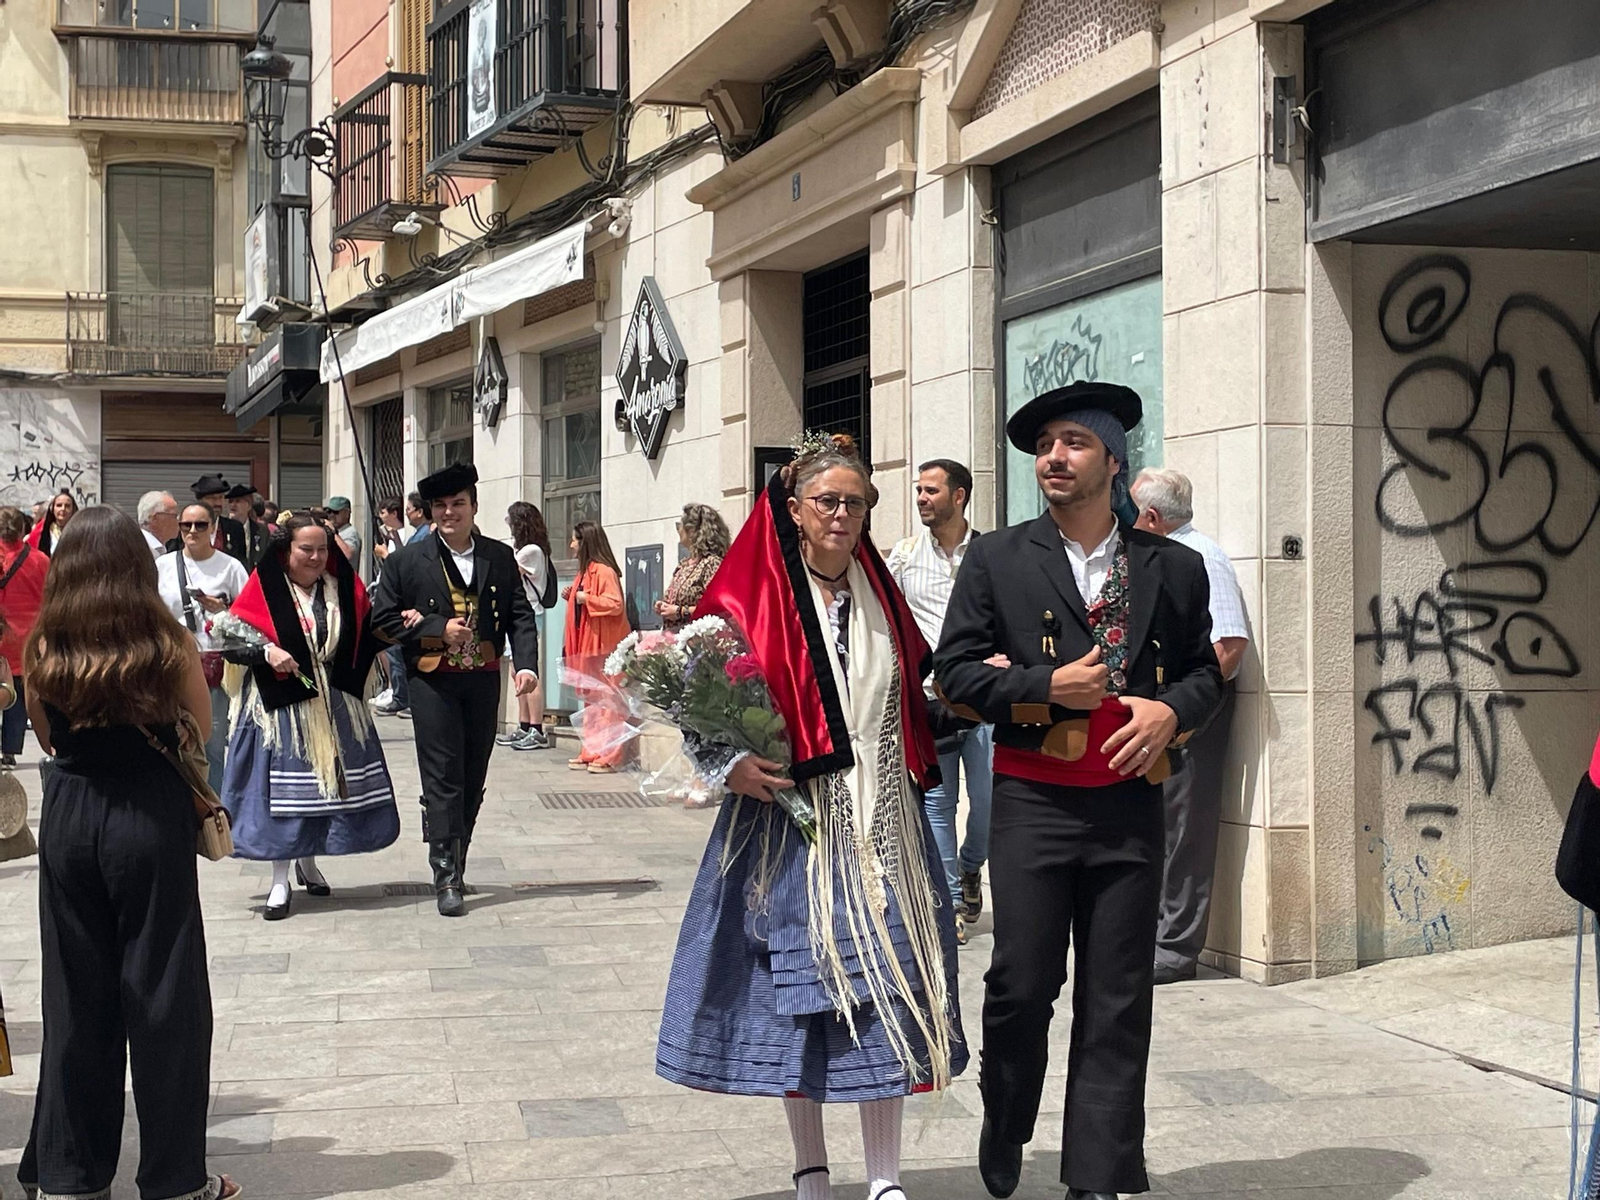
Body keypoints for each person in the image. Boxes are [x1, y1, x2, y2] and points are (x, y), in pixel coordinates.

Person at [657, 433, 966, 1200]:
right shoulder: (745, 598)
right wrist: (728, 765)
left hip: (884, 818)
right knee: (799, 996)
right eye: (826, 501)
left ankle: (886, 1179)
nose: (841, 514)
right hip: (788, 823)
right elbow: (697, 704)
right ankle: (810, 1167)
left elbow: (913, 686)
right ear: (792, 509)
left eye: (855, 502)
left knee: (890, 979)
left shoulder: (881, 592)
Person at [935, 382, 1223, 1200]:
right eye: (1044, 446)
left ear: (1112, 460)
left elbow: (1207, 673)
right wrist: (1041, 688)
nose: (1052, 458)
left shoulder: (1173, 566)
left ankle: (1096, 1173)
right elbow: (952, 672)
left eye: (1072, 443)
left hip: (1130, 802)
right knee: (1021, 983)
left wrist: (1172, 712)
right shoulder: (998, 558)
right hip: (1032, 802)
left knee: (1118, 994)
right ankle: (1005, 1112)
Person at [17, 506, 240, 1200]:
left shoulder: (45, 645)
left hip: (72, 814)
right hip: (149, 815)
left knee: (76, 997)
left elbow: (46, 737)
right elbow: (199, 730)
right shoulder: (165, 642)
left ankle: (72, 1175)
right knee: (167, 997)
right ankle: (175, 1179)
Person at [372, 463, 540, 917]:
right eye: (441, 506)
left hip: (483, 677)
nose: (450, 513)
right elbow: (382, 620)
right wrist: (435, 627)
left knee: (473, 772)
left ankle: (458, 853)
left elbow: (520, 615)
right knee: (442, 774)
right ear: (430, 513)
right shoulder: (407, 561)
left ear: (473, 507)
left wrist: (526, 665)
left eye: (458, 504)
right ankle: (445, 871)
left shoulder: (499, 556)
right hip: (433, 680)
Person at [220, 514, 399, 920]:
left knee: (326, 790)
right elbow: (229, 640)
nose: (317, 557)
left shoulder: (341, 591)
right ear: (286, 550)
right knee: (286, 798)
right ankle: (279, 880)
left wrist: (400, 625)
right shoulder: (263, 588)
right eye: (307, 549)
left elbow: (367, 635)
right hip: (280, 712)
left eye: (323, 549)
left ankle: (308, 861)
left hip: (333, 705)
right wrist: (266, 652)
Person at [1131, 467, 1250, 986]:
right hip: (1164, 715)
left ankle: (1175, 950)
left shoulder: (1201, 557)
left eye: (1134, 512)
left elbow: (1228, 649)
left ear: (1153, 517)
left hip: (1191, 718)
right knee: (1159, 827)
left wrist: (1181, 716)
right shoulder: (1163, 557)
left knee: (1184, 831)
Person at [887, 459, 992, 947]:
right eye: (919, 491)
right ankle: (947, 904)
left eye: (932, 491)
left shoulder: (992, 554)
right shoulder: (905, 558)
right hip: (930, 701)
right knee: (938, 802)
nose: (922, 498)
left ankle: (971, 866)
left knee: (990, 802)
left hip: (987, 699)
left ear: (960, 496)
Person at [157, 503, 250, 795]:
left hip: (215, 667)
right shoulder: (163, 566)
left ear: (213, 527)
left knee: (211, 742)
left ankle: (213, 810)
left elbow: (251, 617)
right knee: (170, 739)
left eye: (200, 525)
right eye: (186, 525)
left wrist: (224, 609)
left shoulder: (231, 567)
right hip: (170, 665)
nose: (193, 531)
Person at [561, 521, 629, 774]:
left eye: (575, 540)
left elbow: (614, 604)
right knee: (591, 701)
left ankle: (610, 754)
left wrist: (584, 598)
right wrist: (574, 596)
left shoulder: (603, 570)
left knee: (609, 701)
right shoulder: (586, 571)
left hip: (605, 646)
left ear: (586, 541)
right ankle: (591, 749)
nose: (571, 546)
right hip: (588, 645)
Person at [502, 501, 555, 751]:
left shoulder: (531, 550)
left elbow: (509, 571)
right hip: (522, 615)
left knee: (528, 671)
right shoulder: (528, 549)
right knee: (517, 671)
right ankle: (524, 725)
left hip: (530, 614)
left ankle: (536, 728)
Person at [0, 509, 47, 771]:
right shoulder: (39, 560)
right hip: (25, 640)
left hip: (1, 633)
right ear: (22, 529)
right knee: (17, 695)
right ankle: (9, 751)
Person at [656, 503, 729, 632]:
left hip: (698, 642)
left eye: (679, 526)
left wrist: (680, 611)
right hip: (675, 640)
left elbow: (719, 608)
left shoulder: (711, 564)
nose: (678, 530)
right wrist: (664, 606)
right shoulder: (684, 565)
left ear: (692, 532)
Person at [371, 497, 412, 718]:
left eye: (384, 512)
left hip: (401, 600)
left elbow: (402, 567)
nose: (381, 515)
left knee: (398, 649)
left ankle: (403, 697)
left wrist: (386, 554)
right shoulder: (390, 536)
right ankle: (396, 693)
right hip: (386, 594)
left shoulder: (406, 536)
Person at [190, 475, 250, 562]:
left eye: (220, 497)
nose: (218, 503)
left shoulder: (235, 528)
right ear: (200, 501)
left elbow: (241, 562)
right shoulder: (187, 527)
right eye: (212, 498)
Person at [226, 484, 270, 568]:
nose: (233, 505)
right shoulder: (222, 527)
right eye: (230, 501)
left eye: (238, 501)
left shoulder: (261, 530)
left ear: (249, 505)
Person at [24, 491, 77, 556]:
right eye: (59, 505)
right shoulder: (41, 531)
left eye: (67, 506)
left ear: (73, 509)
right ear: (52, 509)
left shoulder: (79, 531)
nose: (63, 509)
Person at [137, 491, 180, 560]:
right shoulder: (139, 548)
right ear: (154, 519)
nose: (178, 521)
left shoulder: (160, 548)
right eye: (174, 516)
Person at [325, 496, 361, 565]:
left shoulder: (350, 532)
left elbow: (347, 554)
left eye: (336, 512)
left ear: (347, 513)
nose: (331, 515)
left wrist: (332, 531)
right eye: (329, 512)